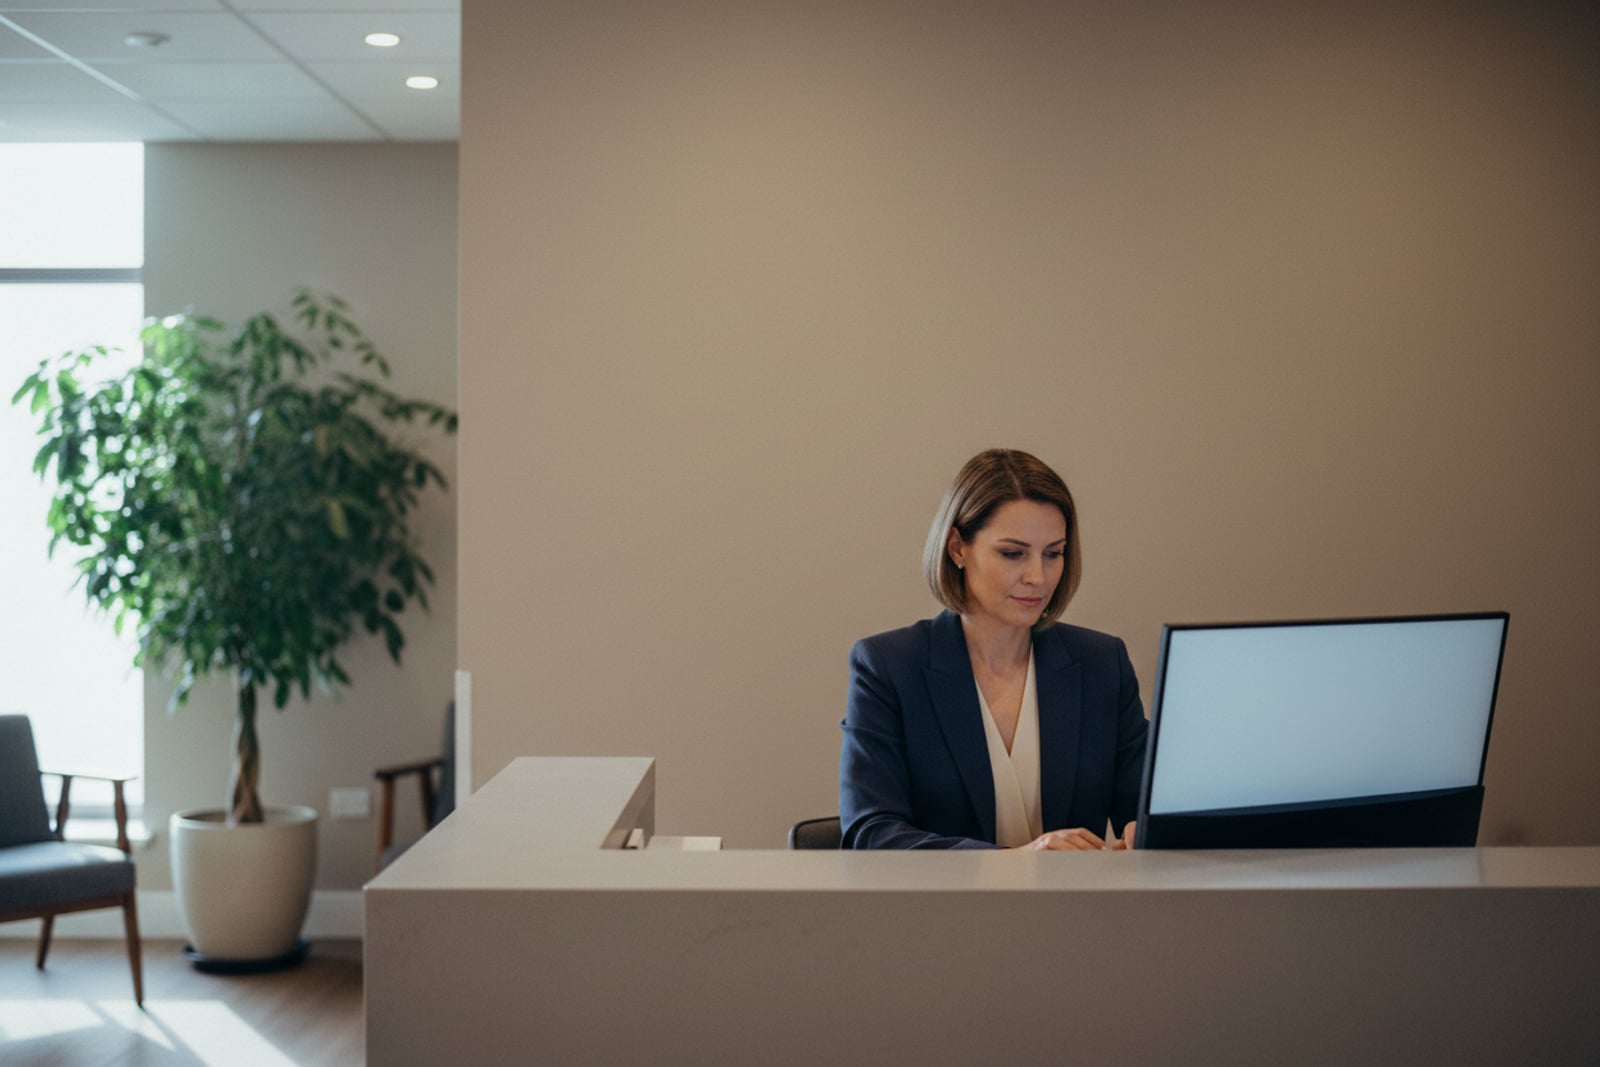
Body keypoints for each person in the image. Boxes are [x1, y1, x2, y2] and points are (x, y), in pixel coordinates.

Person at [839, 448, 1148, 850]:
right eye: (1013, 554)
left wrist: (1150, 832)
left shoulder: (1102, 663)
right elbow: (871, 834)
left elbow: (1145, 808)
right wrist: (1017, 861)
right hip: (942, 913)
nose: (1038, 576)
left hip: (1078, 912)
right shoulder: (888, 667)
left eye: (1053, 553)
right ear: (956, 548)